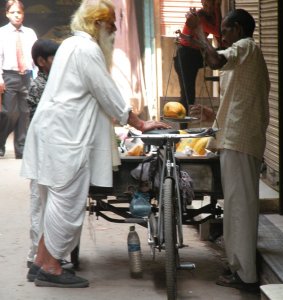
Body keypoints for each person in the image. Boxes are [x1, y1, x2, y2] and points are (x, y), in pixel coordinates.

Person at [21, 0, 169, 288]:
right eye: (111, 24)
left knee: (54, 202)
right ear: (98, 23)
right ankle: (51, 268)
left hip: (53, 133)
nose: (114, 30)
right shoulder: (87, 49)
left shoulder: (69, 45)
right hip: (65, 138)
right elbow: (106, 91)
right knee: (66, 204)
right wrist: (139, 123)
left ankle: (39, 262)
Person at [188, 9, 270, 292]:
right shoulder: (245, 53)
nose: (221, 36)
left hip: (240, 141)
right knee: (235, 206)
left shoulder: (245, 47)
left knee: (241, 209)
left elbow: (214, 60)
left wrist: (198, 33)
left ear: (237, 29)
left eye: (224, 30)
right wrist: (212, 115)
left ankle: (245, 275)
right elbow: (239, 99)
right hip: (235, 138)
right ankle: (238, 266)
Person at [25, 39, 61, 270]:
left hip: (48, 151)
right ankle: (35, 258)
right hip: (41, 152)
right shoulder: (40, 86)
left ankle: (42, 255)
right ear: (41, 61)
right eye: (54, 58)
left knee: (46, 204)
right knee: (40, 204)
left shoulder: (53, 82)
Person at [173, 0, 221, 129]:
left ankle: (183, 128)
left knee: (219, 56)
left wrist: (216, 9)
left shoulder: (206, 16)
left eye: (210, 5)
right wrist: (216, 8)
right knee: (188, 94)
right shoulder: (199, 18)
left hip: (194, 54)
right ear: (202, 4)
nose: (208, 8)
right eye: (206, 5)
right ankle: (182, 130)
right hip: (185, 56)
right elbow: (217, 31)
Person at [0, 0, 37, 159]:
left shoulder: (30, 33)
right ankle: (0, 142)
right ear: (7, 13)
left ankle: (21, 149)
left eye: (19, 12)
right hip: (9, 76)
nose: (17, 15)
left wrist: (35, 77)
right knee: (9, 113)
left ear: (23, 14)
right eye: (13, 12)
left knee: (24, 113)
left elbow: (36, 58)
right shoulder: (1, 33)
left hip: (27, 76)